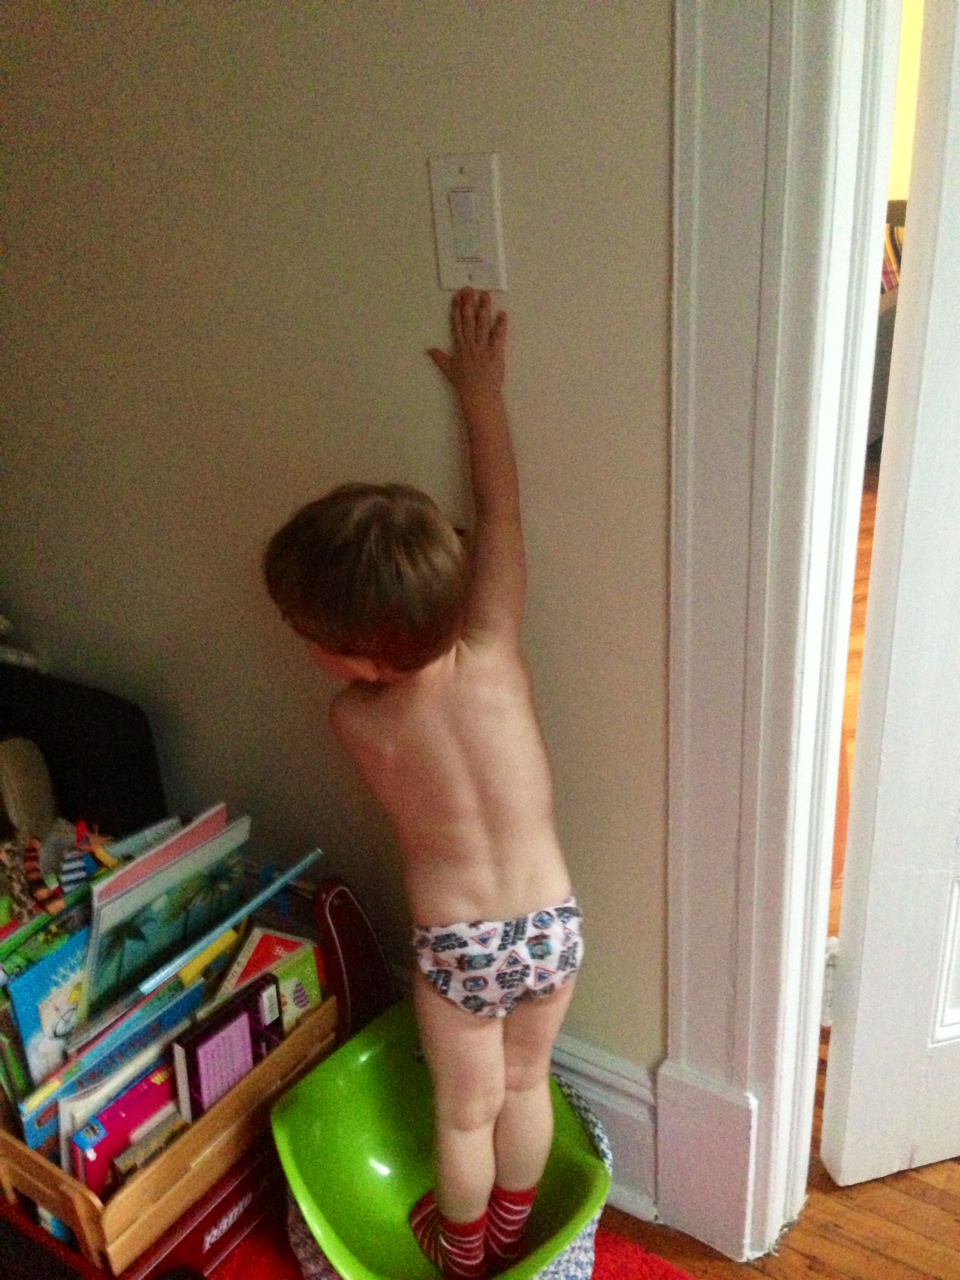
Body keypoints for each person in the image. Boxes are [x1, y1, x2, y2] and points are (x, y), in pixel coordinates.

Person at [263, 288, 583, 1279]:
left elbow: (381, 687)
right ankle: (516, 1233)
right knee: (527, 1083)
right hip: (553, 922)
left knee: (465, 1111)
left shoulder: (356, 718)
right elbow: (502, 509)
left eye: (309, 637)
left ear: (359, 656)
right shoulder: (494, 644)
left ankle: (460, 1253)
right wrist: (482, 392)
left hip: (461, 946)